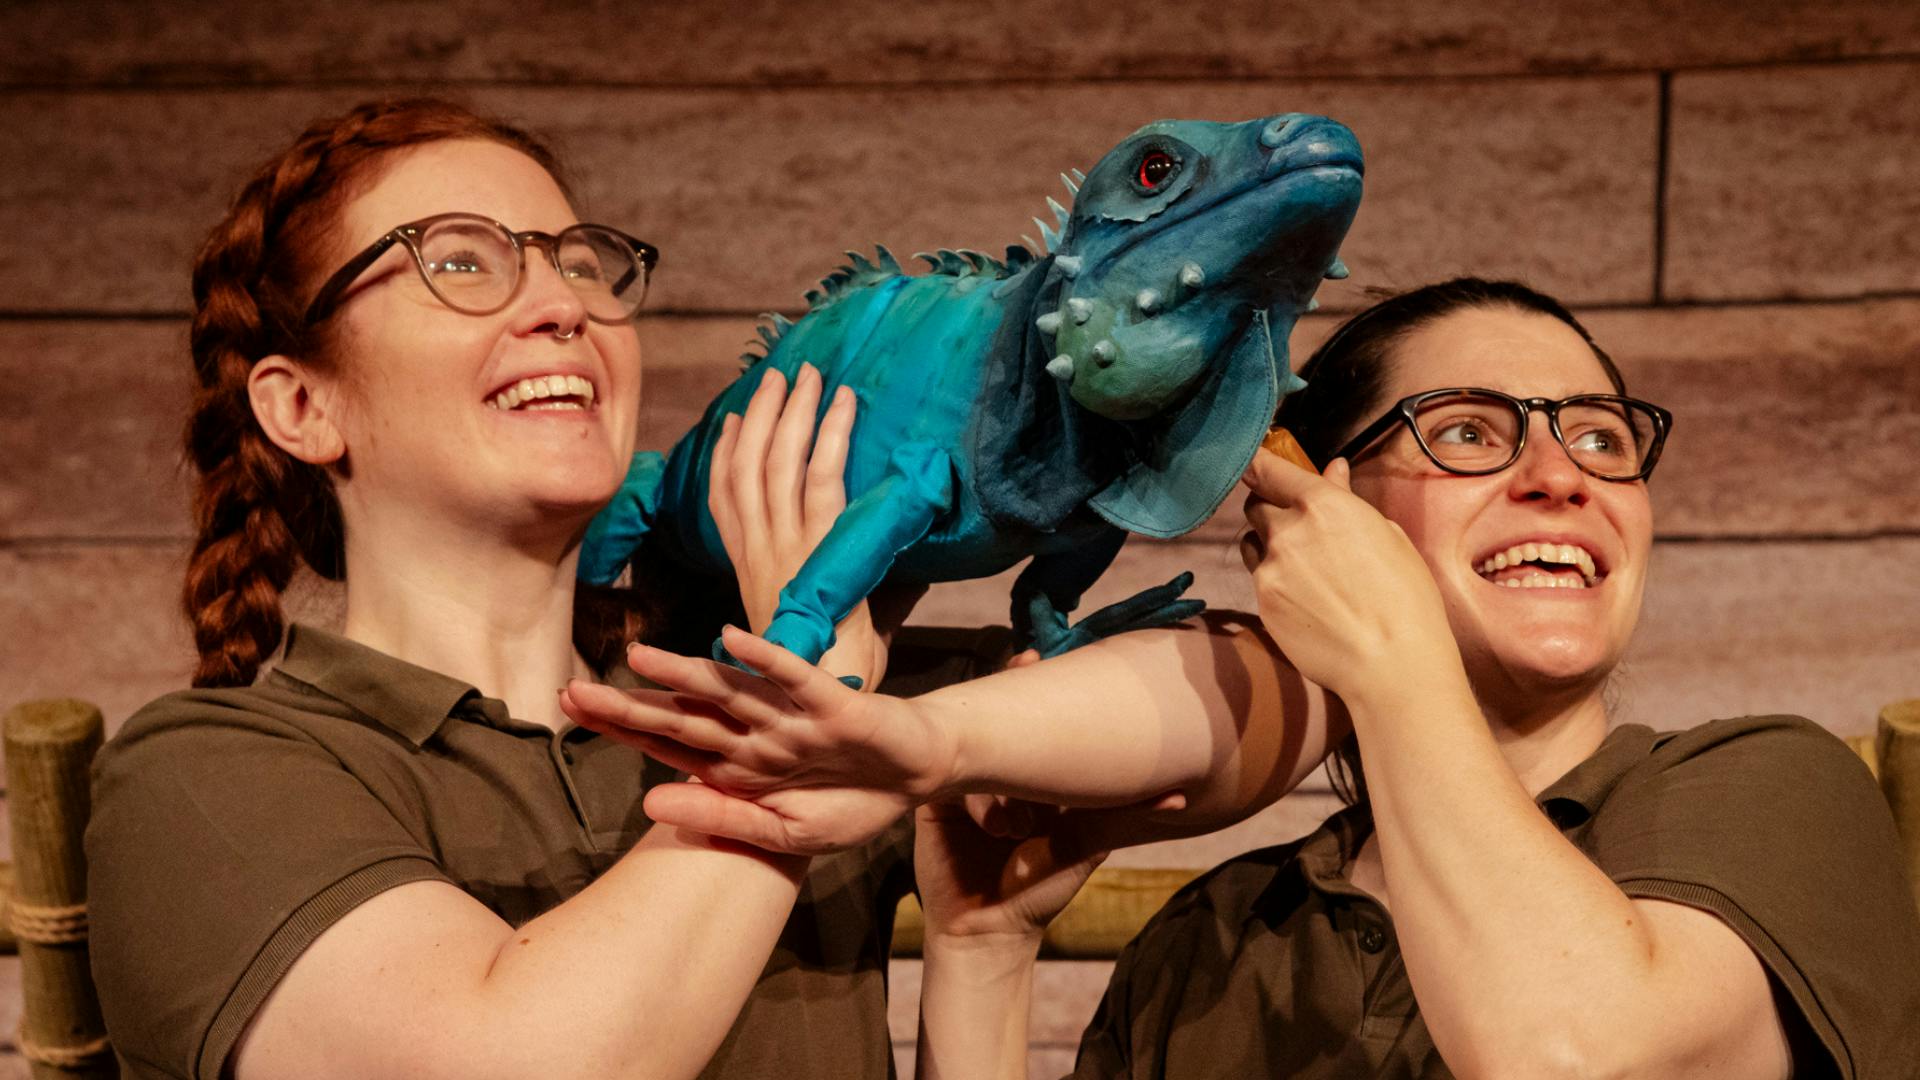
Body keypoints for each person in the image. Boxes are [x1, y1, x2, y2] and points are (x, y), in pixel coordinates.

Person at [564, 278, 1920, 1078]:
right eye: (1468, 432)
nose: (1560, 474)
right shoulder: (1217, 946)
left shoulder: (1767, 795)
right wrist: (983, 958)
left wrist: (1388, 664)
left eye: (1603, 438)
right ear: (1306, 506)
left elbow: (1570, 1050)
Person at [84, 97, 915, 1080]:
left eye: (579, 263)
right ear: (303, 405)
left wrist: (983, 952)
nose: (564, 305)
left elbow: (1084, 717)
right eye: (461, 263)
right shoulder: (197, 780)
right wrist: (788, 736)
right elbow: (504, 1060)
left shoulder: (746, 688)